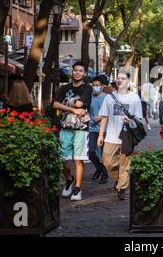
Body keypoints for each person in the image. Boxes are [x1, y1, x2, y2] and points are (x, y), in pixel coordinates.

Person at [97, 72, 143, 201]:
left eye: (123, 78)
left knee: (125, 163)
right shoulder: (109, 97)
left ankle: (122, 188)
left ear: (129, 81)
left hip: (127, 137)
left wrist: (131, 121)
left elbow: (139, 118)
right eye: (118, 78)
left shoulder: (134, 97)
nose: (120, 80)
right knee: (108, 162)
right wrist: (101, 135)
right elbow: (104, 117)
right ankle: (121, 179)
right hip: (111, 136)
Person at [53, 61, 93, 201]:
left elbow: (79, 103)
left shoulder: (87, 88)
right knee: (62, 158)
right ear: (72, 72)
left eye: (80, 71)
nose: (77, 73)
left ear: (85, 74)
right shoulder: (64, 88)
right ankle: (69, 179)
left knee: (78, 159)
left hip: (81, 128)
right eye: (75, 70)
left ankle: (77, 188)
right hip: (65, 126)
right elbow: (55, 104)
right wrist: (73, 109)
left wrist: (66, 104)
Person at [88, 74, 110, 184]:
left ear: (102, 86)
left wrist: (100, 117)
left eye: (97, 85)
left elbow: (111, 112)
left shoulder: (106, 97)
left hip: (104, 129)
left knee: (103, 154)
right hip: (91, 128)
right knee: (90, 152)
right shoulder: (90, 96)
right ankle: (100, 168)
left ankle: (104, 174)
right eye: (93, 85)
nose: (95, 87)